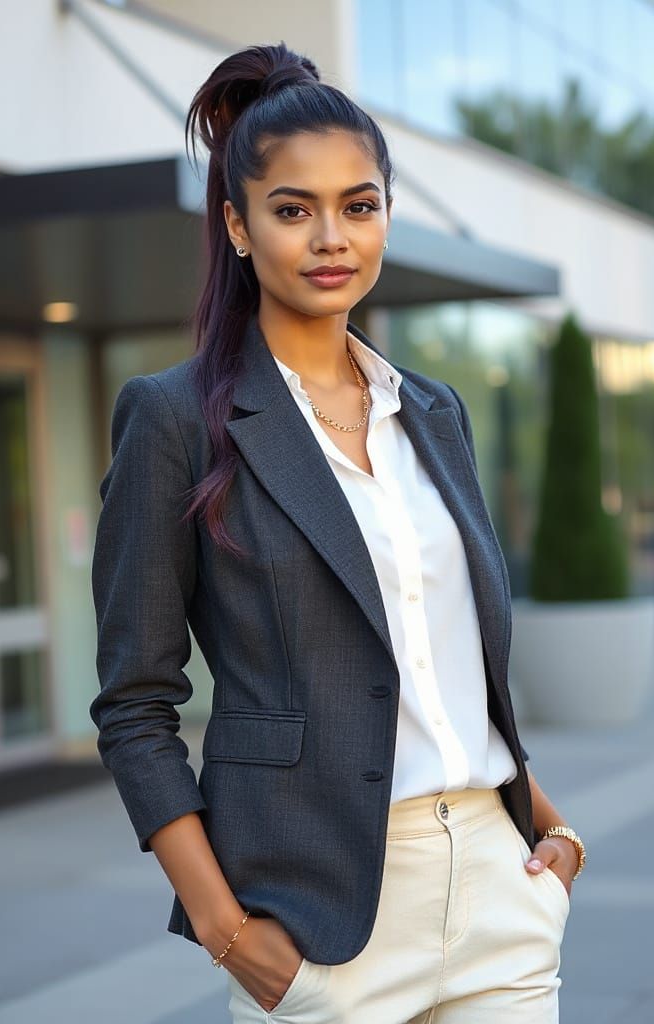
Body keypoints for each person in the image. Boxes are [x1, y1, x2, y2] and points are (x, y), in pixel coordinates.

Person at [90, 41, 586, 1024]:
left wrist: (555, 833)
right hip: (317, 918)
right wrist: (224, 926)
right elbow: (134, 703)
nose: (331, 238)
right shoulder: (176, 419)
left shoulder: (433, 413)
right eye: (292, 210)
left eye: (359, 206)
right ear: (237, 225)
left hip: (499, 893)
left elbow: (451, 666)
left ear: (387, 215)